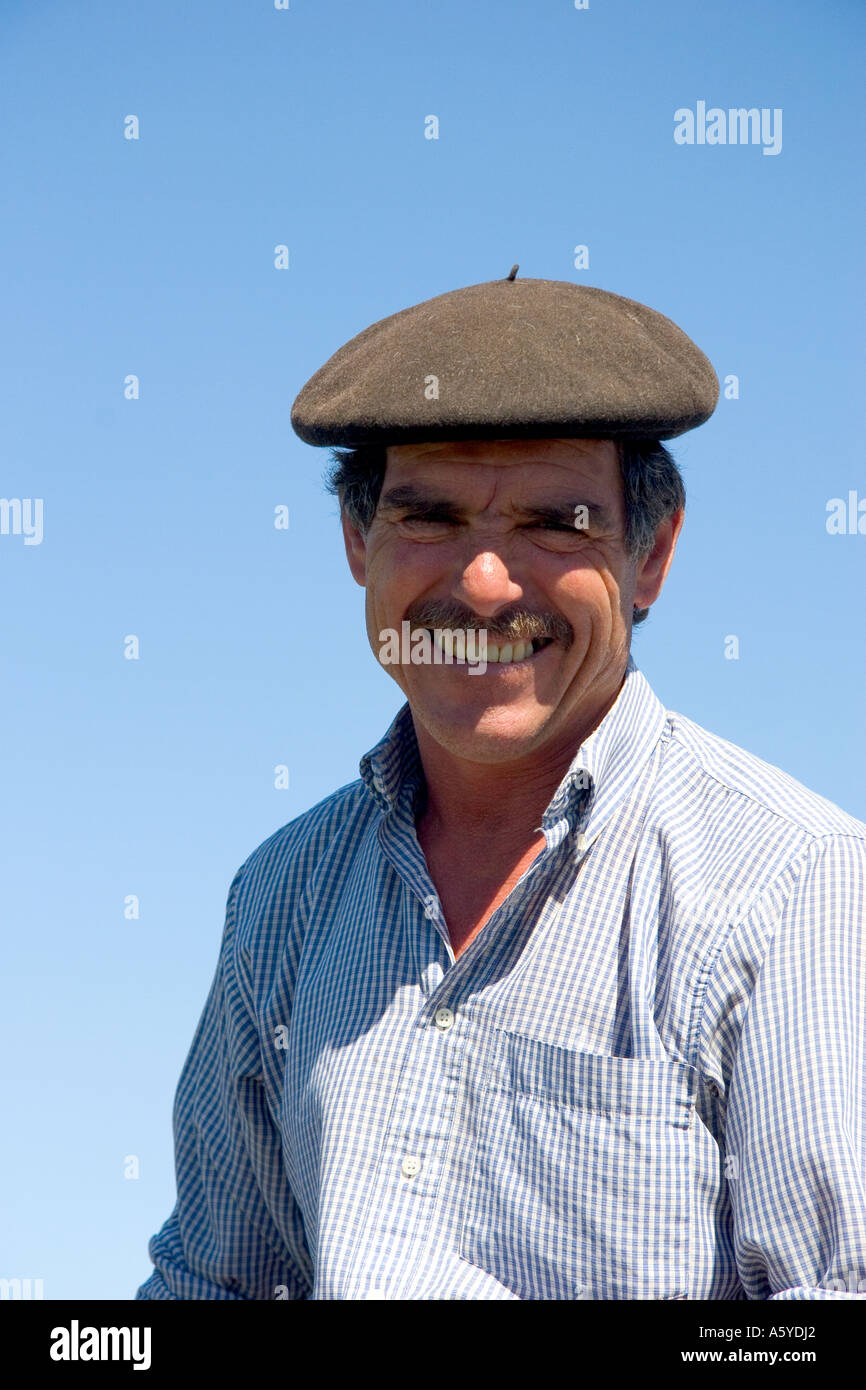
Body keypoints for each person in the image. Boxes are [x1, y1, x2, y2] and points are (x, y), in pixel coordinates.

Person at [136, 270, 866, 1300]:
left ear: (649, 554)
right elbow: (214, 1289)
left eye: (554, 523)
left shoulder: (793, 890)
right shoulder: (283, 897)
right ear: (357, 543)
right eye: (427, 517)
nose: (483, 583)